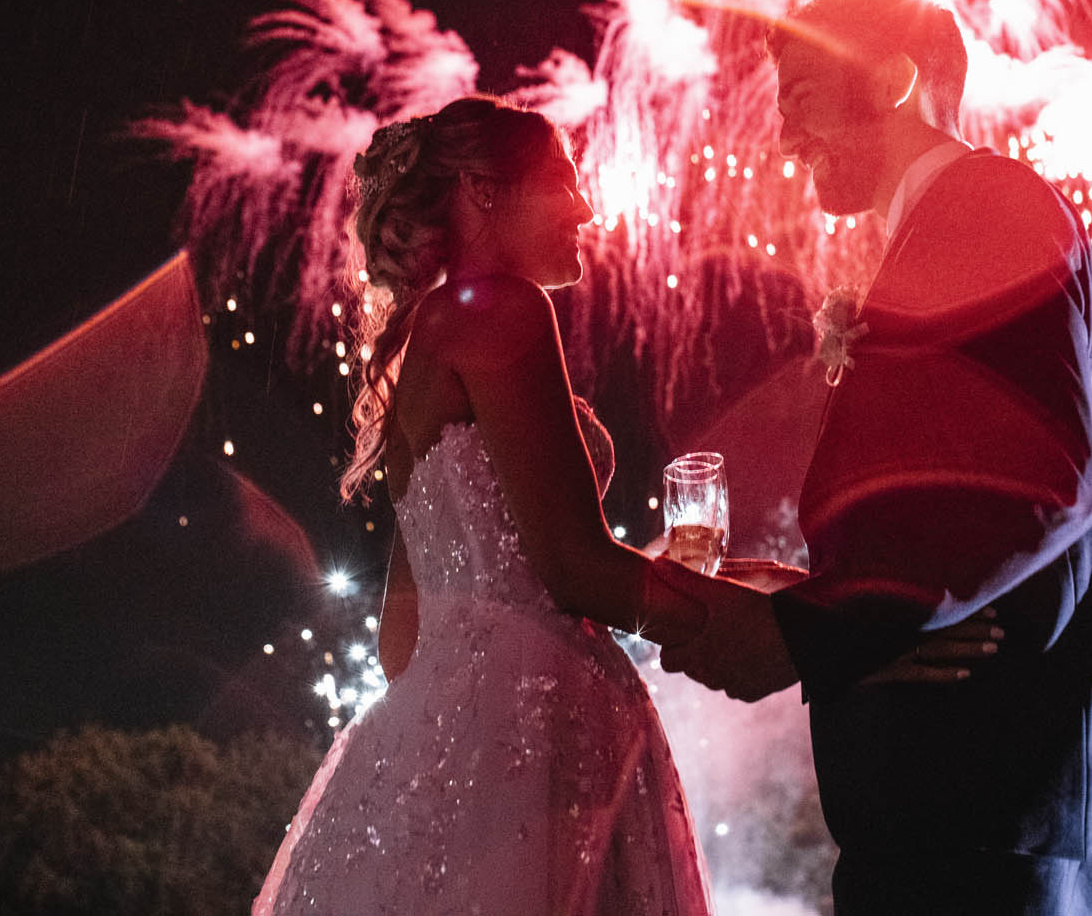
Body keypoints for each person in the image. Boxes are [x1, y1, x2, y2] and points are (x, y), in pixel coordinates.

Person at [254, 94, 996, 914]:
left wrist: (784, 592)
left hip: (446, 738)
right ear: (482, 190)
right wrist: (800, 639)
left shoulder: (432, 338)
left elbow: (404, 638)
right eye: (562, 182)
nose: (586, 208)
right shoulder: (502, 307)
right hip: (537, 736)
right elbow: (575, 566)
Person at [658, 0, 1092, 915]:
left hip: (983, 793)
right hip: (963, 801)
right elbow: (946, 511)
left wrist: (804, 638)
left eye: (802, 101)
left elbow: (1038, 486)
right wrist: (800, 592)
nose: (783, 138)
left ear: (893, 81)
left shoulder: (987, 207)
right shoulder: (947, 226)